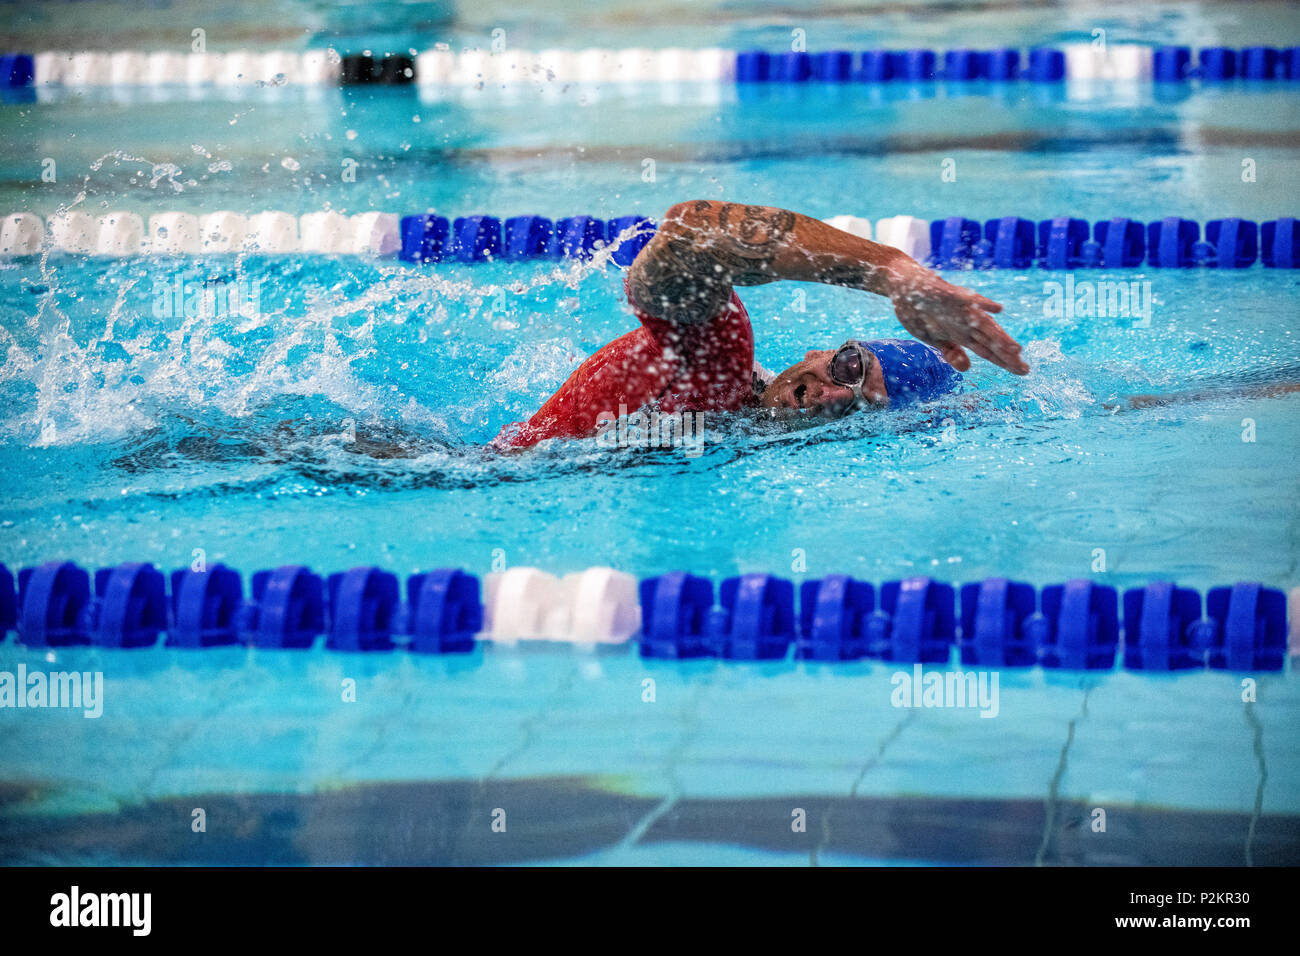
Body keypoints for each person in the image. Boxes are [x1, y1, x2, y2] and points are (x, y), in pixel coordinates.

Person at [493, 200, 1030, 449]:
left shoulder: (752, 436)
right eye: (848, 367)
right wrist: (893, 272)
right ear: (823, 351)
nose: (829, 396)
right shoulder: (715, 362)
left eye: (858, 403)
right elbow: (688, 234)